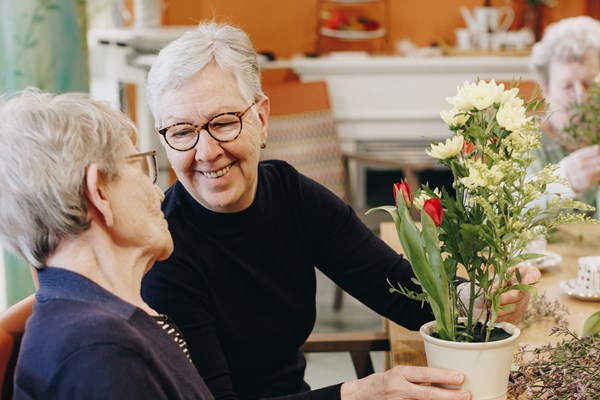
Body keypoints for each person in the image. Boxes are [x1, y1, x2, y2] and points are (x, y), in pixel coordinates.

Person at [141, 20, 539, 400]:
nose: (207, 152)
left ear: (261, 119)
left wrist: (481, 298)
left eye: (223, 122)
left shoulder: (290, 194)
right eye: (182, 132)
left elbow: (397, 288)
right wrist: (358, 392)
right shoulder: (165, 256)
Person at [0, 89, 214, 399]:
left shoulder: (88, 321)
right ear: (98, 190)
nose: (158, 195)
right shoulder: (101, 349)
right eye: (140, 168)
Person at [529, 16, 600, 207]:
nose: (581, 97)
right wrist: (564, 180)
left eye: (590, 83)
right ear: (545, 91)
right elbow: (509, 214)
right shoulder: (527, 142)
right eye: (567, 86)